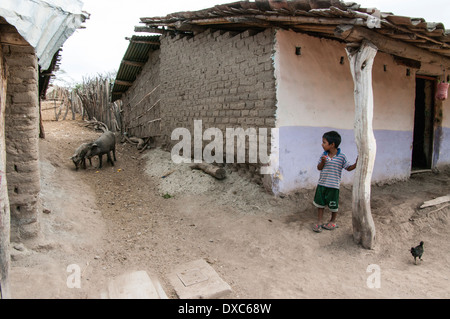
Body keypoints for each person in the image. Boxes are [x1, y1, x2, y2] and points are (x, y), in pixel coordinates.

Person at [312, 131, 357, 233]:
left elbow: (348, 168)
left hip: (333, 186)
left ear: (332, 144)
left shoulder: (342, 157)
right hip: (322, 184)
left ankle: (333, 221)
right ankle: (319, 222)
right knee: (320, 204)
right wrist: (323, 162)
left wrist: (356, 164)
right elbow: (319, 168)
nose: (322, 144)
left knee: (333, 205)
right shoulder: (323, 155)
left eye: (324, 142)